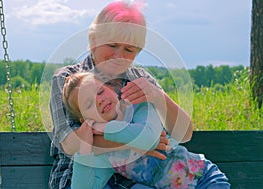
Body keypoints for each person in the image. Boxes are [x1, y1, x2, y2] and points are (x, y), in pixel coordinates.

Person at [49, 1, 193, 188]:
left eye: (129, 49)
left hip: (136, 178)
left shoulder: (140, 79)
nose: (119, 55)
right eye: (112, 45)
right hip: (83, 178)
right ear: (94, 41)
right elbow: (70, 144)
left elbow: (185, 134)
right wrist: (139, 143)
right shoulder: (67, 79)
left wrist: (158, 97)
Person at [62, 72, 230, 189]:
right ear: (84, 121)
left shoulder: (139, 107)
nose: (99, 100)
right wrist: (84, 147)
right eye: (89, 104)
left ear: (112, 89)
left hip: (203, 179)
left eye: (100, 91)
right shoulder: (106, 154)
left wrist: (103, 127)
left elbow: (148, 138)